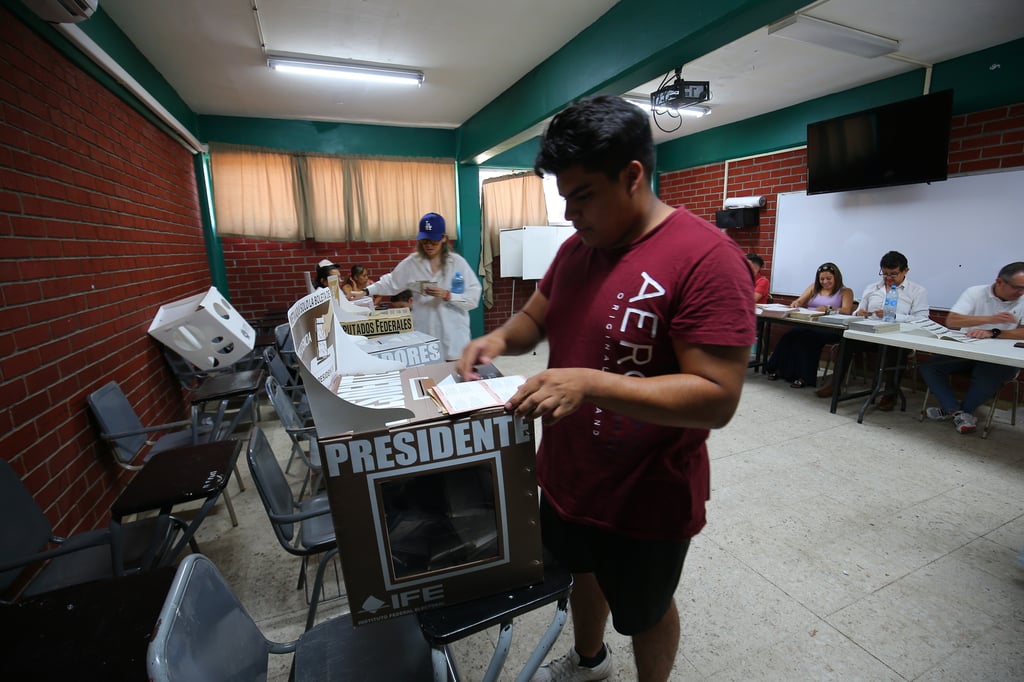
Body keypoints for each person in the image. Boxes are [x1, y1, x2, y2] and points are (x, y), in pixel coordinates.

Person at [456, 95, 754, 682]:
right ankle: (589, 661)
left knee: (643, 610)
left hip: (646, 493)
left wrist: (592, 383)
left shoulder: (705, 259)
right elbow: (536, 320)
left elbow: (718, 396)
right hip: (568, 472)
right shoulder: (576, 251)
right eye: (564, 198)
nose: (571, 214)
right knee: (579, 573)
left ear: (633, 175)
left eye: (583, 195)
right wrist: (494, 341)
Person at [354, 212, 481, 360]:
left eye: (433, 241)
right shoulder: (412, 263)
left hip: (454, 340)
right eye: (425, 240)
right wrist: (366, 291)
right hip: (425, 338)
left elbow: (473, 299)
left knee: (455, 378)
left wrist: (448, 295)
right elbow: (391, 282)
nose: (428, 245)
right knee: (429, 378)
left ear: (444, 238)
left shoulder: (458, 264)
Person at [919, 262, 1024, 434]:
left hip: (1002, 355)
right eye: (1017, 288)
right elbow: (952, 321)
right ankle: (957, 412)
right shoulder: (975, 292)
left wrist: (994, 332)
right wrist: (989, 319)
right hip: (969, 348)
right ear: (1000, 282)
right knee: (929, 367)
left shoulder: (1023, 298)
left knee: (985, 375)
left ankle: (955, 411)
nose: (1021, 292)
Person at [853, 251, 930, 410]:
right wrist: (859, 313)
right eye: (885, 273)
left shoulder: (917, 291)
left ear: (905, 271)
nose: (888, 278)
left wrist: (895, 316)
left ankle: (890, 394)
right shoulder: (872, 288)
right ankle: (836, 385)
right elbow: (858, 312)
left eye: (893, 274)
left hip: (898, 336)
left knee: (895, 349)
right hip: (870, 334)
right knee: (846, 342)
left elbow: (923, 320)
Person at [764, 262, 854, 389]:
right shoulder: (814, 287)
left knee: (807, 341)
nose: (825, 282)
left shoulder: (845, 291)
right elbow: (800, 300)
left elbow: (847, 310)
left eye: (829, 278)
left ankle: (804, 377)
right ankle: (777, 369)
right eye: (822, 279)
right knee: (789, 336)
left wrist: (828, 308)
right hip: (809, 323)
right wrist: (796, 303)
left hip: (829, 328)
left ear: (836, 278)